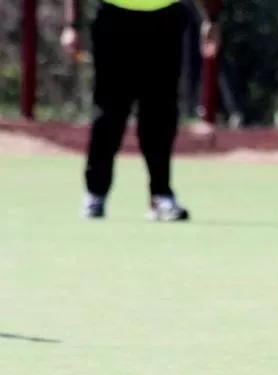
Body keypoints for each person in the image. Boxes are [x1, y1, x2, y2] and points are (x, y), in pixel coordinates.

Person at [60, 0, 223, 221]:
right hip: (114, 19)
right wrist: (72, 24)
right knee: (109, 112)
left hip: (165, 18)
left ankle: (160, 196)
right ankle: (95, 194)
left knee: (160, 113)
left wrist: (211, 18)